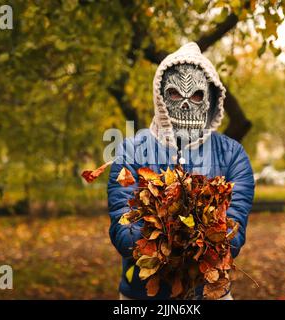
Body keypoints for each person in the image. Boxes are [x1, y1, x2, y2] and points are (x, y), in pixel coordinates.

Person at [107, 42, 255, 299]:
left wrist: (175, 241)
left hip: (210, 294)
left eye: (196, 95)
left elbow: (233, 234)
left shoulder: (233, 155)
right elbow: (124, 230)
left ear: (210, 98)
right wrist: (184, 241)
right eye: (176, 93)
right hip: (142, 296)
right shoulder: (131, 152)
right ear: (161, 96)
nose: (186, 104)